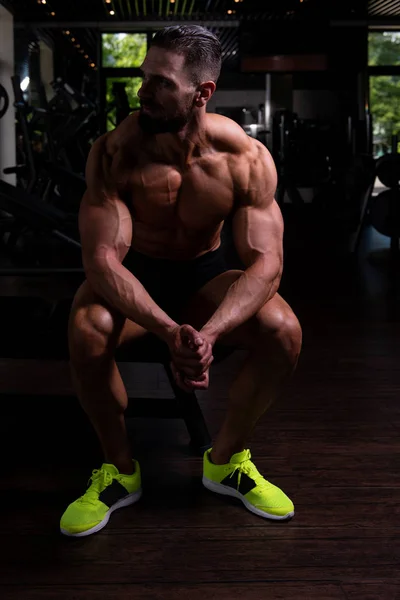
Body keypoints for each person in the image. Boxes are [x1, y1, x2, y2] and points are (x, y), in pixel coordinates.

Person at [60, 25, 302, 537]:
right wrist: (172, 333)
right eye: (144, 76)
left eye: (161, 82)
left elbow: (267, 264)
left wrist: (208, 334)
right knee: (87, 327)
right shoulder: (114, 152)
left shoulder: (245, 160)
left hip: (204, 278)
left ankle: (226, 461)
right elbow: (103, 261)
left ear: (202, 93)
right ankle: (120, 471)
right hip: (135, 275)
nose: (143, 91)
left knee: (284, 330)